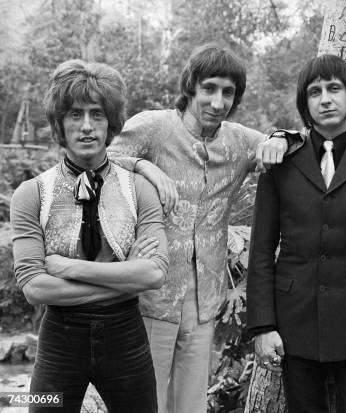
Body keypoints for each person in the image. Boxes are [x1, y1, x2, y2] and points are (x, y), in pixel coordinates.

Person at [107, 43, 302, 413]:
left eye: (228, 92)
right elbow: (101, 163)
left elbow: (293, 144)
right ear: (191, 87)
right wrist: (144, 167)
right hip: (151, 290)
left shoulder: (239, 140)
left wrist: (280, 138)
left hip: (205, 297)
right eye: (210, 88)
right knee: (144, 399)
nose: (218, 101)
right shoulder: (153, 127)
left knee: (192, 402)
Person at [247, 54, 346, 413]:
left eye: (334, 89)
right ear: (306, 104)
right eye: (314, 92)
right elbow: (260, 249)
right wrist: (262, 326)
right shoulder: (280, 164)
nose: (325, 99)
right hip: (293, 328)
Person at [10, 60, 168, 412]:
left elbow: (155, 274)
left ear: (111, 123)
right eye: (75, 114)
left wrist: (66, 267)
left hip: (126, 336)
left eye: (97, 114)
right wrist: (126, 277)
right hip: (58, 340)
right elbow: (35, 288)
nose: (86, 127)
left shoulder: (140, 189)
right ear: (58, 123)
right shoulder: (31, 194)